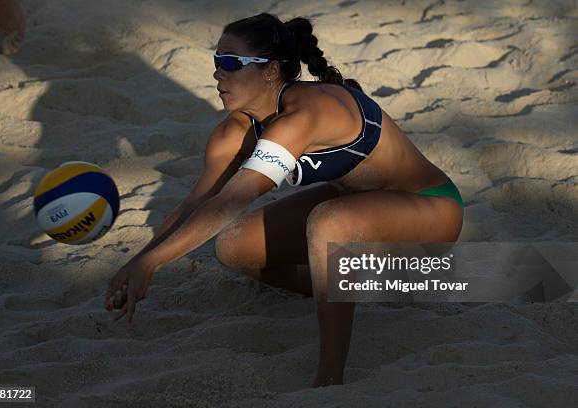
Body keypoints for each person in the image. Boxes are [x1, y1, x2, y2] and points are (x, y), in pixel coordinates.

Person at [105, 13, 464, 387]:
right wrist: (138, 263)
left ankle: (329, 381)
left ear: (271, 71)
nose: (217, 75)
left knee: (328, 222)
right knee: (233, 245)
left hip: (431, 209)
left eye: (231, 63)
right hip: (362, 205)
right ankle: (365, 286)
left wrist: (152, 264)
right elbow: (200, 202)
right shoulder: (235, 130)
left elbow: (232, 200)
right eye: (216, 62)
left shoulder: (304, 114)